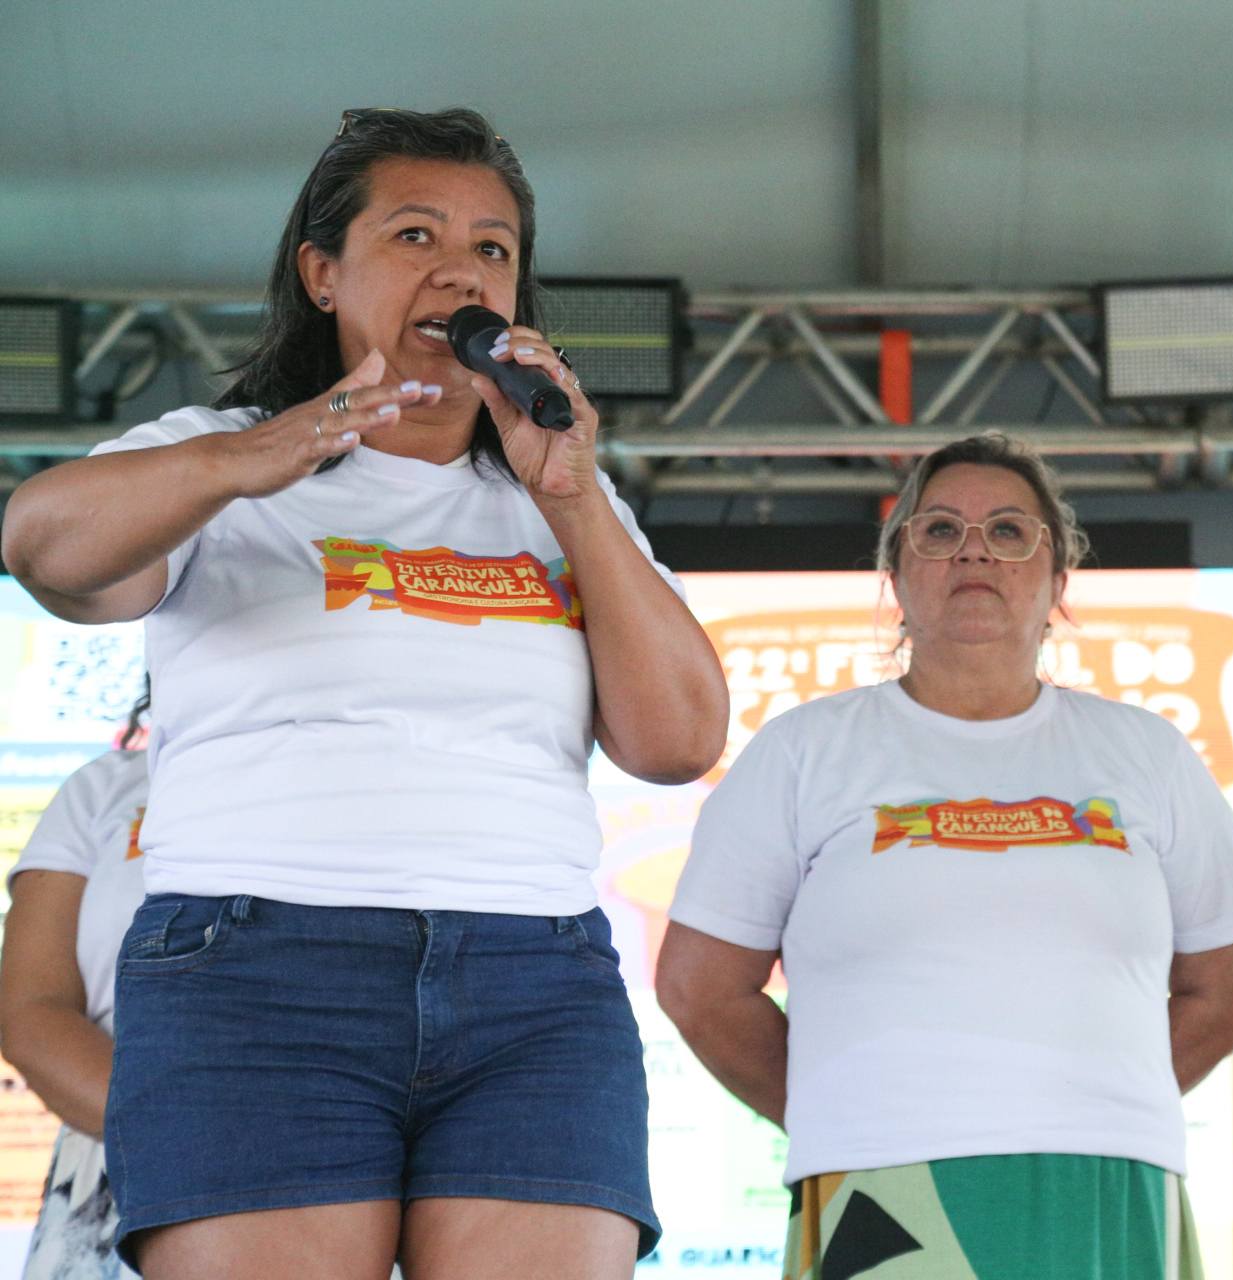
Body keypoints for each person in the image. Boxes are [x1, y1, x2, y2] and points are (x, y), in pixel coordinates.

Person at [0, 107, 727, 1280]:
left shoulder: (560, 499)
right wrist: (258, 455)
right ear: (323, 273)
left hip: (533, 982)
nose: (462, 271)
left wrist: (574, 497)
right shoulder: (221, 453)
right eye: (415, 235)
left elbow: (680, 738)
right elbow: (43, 548)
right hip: (258, 970)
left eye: (493, 248)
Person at [657, 434, 1233, 1280]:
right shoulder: (803, 751)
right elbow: (700, 988)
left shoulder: (1149, 754)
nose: (974, 550)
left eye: (1009, 530)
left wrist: (1089, 1105)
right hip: (880, 1184)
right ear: (896, 575)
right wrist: (846, 1112)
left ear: (1058, 581)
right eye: (940, 529)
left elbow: (1229, 993)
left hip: (1108, 1185)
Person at [0, 690, 149, 1280]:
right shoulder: (107, 787)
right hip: (117, 1155)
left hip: (351, 1161)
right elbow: (32, 1011)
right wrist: (196, 1138)